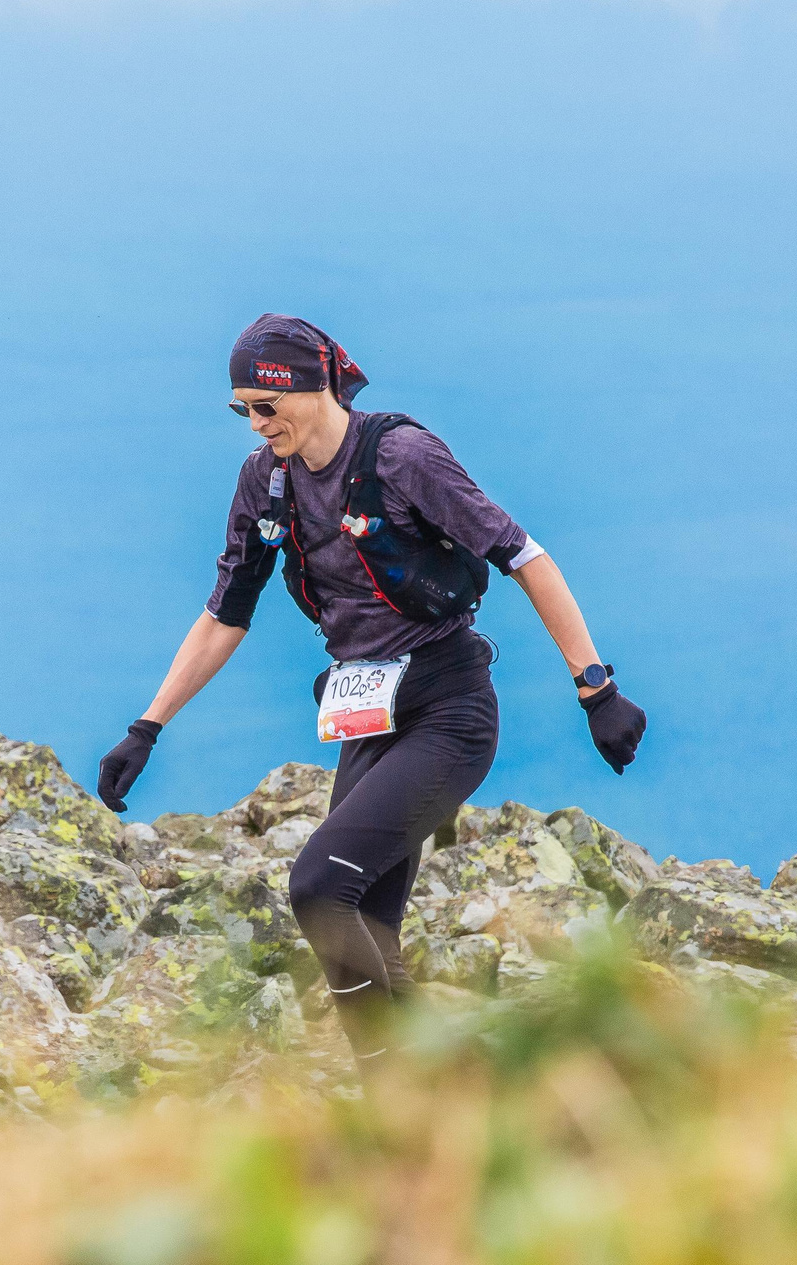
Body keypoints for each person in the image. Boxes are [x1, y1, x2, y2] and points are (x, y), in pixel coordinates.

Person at [97, 314, 646, 1069]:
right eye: (243, 411)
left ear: (313, 387)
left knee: (320, 889)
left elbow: (527, 556)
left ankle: (397, 1093)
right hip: (370, 717)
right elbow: (227, 612)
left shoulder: (401, 457)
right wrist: (147, 728)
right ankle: (437, 1104)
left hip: (449, 712)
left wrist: (596, 690)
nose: (256, 426)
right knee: (367, 923)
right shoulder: (266, 480)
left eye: (266, 405)